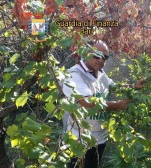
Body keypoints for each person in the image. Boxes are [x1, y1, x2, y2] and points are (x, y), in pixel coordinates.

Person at [62, 40, 146, 168]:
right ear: (86, 52)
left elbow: (114, 86)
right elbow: (87, 102)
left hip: (99, 138)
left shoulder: (100, 73)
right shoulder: (74, 75)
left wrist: (133, 86)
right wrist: (118, 105)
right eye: (97, 55)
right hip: (78, 139)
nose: (101, 59)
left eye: (105, 57)